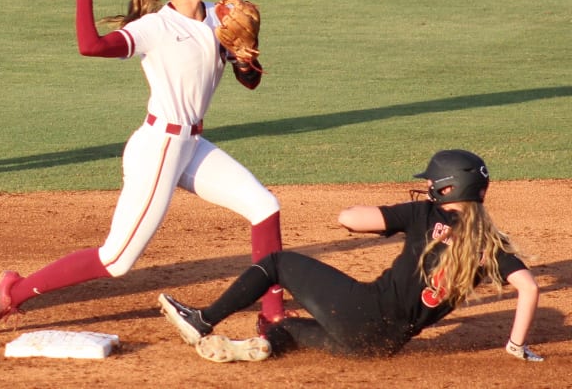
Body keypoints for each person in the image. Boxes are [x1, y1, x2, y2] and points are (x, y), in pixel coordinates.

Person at [0, 0, 287, 334]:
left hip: (191, 146)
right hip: (159, 148)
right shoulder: (156, 26)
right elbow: (90, 46)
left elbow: (251, 83)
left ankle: (272, 314)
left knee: (264, 206)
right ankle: (12, 292)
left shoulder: (218, 18)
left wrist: (246, 57)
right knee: (117, 259)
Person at [159, 149, 544, 364]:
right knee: (291, 327)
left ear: (446, 189)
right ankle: (257, 348)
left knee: (277, 263)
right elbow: (528, 289)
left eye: (430, 183)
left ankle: (202, 320)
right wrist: (515, 345)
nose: (426, 188)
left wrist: (380, 213)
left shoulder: (424, 215)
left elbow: (349, 219)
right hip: (379, 347)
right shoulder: (493, 244)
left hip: (361, 314)